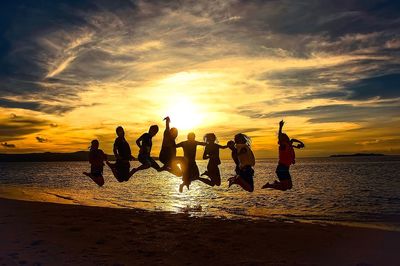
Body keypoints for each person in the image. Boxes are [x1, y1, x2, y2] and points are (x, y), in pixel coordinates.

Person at [262, 120, 305, 191]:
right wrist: (280, 127)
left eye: (286, 136)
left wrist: (300, 144)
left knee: (287, 186)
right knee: (287, 186)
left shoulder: (288, 145)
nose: (287, 137)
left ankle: (274, 184)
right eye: (285, 136)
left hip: (283, 168)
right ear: (283, 139)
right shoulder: (283, 145)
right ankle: (270, 185)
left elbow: (293, 140)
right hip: (282, 168)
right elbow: (280, 137)